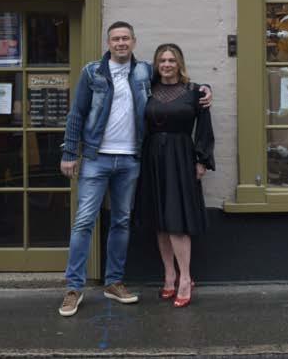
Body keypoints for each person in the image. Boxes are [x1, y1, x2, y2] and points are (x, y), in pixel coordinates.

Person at [58, 22, 210, 317]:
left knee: (121, 221)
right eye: (115, 39)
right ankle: (74, 287)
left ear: (134, 42)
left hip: (130, 159)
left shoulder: (143, 72)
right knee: (84, 222)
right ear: (108, 43)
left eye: (125, 38)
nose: (121, 43)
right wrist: (69, 152)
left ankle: (114, 282)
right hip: (96, 158)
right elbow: (77, 113)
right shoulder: (93, 72)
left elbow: (174, 80)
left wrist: (205, 89)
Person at [136, 43, 214, 309]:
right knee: (160, 220)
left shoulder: (195, 92)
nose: (166, 65)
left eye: (171, 60)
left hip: (181, 158)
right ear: (156, 65)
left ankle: (186, 278)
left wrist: (202, 160)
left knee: (177, 220)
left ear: (179, 63)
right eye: (162, 60)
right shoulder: (147, 90)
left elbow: (204, 128)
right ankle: (169, 275)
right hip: (152, 157)